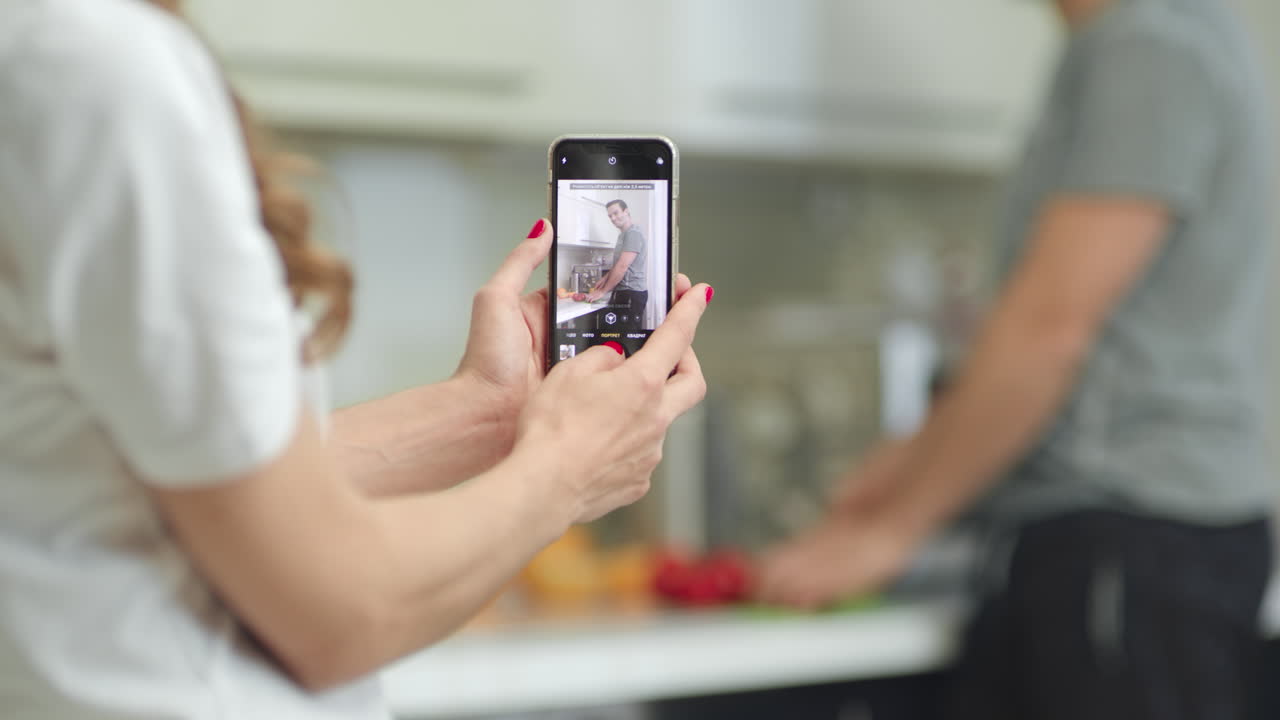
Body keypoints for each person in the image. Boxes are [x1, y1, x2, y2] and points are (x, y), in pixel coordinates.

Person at [0, 1, 712, 718]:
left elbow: (201, 494)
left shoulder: (46, 51)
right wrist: (564, 468)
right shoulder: (92, 66)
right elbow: (341, 616)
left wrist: (491, 411)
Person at [758, 0, 1276, 718]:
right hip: (1130, 548)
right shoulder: (1143, 37)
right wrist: (913, 461)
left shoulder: (1148, 43)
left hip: (1126, 549)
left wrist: (893, 530)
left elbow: (1051, 327)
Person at [585, 199, 649, 331]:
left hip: (632, 292)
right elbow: (619, 264)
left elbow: (622, 267)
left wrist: (603, 291)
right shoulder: (623, 235)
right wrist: (606, 278)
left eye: (616, 213)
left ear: (626, 211)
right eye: (610, 216)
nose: (613, 218)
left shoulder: (633, 234)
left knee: (627, 337)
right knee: (617, 334)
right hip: (624, 291)